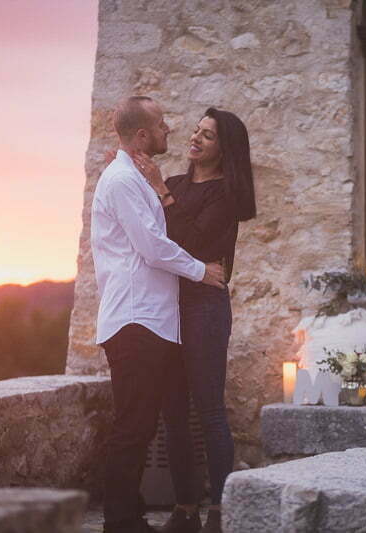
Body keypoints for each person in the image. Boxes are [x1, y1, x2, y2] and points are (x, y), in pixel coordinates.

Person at [90, 95, 226, 533]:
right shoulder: (122, 181)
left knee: (144, 423)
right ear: (142, 135)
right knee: (133, 426)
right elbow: (152, 247)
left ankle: (130, 517)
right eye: (162, 124)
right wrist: (201, 270)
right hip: (135, 320)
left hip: (151, 321)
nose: (171, 129)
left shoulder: (133, 177)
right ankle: (120, 522)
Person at [131, 108, 255, 533]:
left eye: (208, 135)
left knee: (209, 410)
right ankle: (185, 510)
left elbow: (194, 242)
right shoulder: (178, 183)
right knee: (173, 413)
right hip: (168, 305)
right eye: (197, 131)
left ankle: (219, 512)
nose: (196, 139)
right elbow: (157, 240)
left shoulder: (226, 194)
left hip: (205, 308)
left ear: (225, 149)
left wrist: (161, 191)